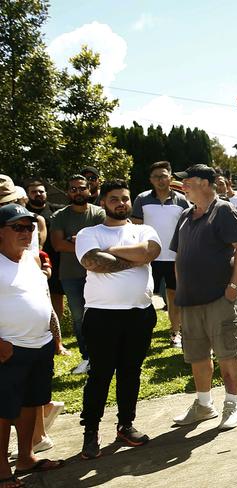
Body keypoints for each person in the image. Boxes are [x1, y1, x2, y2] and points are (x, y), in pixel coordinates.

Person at [75, 180, 161, 459]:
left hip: (139, 314)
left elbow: (150, 252)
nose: (121, 203)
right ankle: (91, 433)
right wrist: (136, 258)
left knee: (130, 372)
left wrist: (110, 252)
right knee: (100, 374)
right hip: (102, 316)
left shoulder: (143, 229)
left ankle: (126, 425)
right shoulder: (90, 232)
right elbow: (91, 262)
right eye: (114, 199)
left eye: (125, 198)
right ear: (103, 202)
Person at [170, 164, 237, 431]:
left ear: (204, 182)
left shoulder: (223, 210)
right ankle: (204, 405)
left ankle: (232, 405)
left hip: (219, 298)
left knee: (227, 354)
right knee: (198, 356)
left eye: (187, 180)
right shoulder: (184, 215)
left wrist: (233, 287)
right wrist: (181, 288)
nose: (183, 185)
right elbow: (179, 255)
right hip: (189, 300)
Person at [1, 203, 65, 485]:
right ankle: (2, 469)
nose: (26, 233)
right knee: (4, 411)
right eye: (18, 227)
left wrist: (55, 337)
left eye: (29, 227)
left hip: (40, 345)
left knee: (31, 404)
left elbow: (42, 298)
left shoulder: (31, 257)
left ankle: (26, 457)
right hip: (9, 350)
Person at [50, 175, 105, 374]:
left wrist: (75, 241)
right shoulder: (59, 216)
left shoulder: (99, 213)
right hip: (71, 275)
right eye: (73, 189)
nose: (77, 192)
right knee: (79, 317)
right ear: (68, 192)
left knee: (102, 314)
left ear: (89, 190)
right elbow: (58, 244)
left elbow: (103, 243)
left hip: (98, 272)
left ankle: (104, 355)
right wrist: (87, 243)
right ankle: (87, 357)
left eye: (81, 188)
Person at [132, 161, 189, 348]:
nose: (160, 180)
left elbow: (187, 228)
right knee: (144, 296)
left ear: (170, 177)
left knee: (174, 296)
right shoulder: (142, 199)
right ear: (150, 180)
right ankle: (142, 334)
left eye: (164, 175)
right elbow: (135, 228)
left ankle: (175, 333)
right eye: (156, 176)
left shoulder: (181, 200)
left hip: (174, 257)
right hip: (149, 257)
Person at [24, 179, 65, 321]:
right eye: (34, 192)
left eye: (41, 191)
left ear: (46, 193)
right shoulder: (22, 212)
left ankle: (56, 328)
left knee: (56, 295)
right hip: (29, 261)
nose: (38, 194)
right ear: (28, 195)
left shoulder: (57, 211)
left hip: (55, 260)